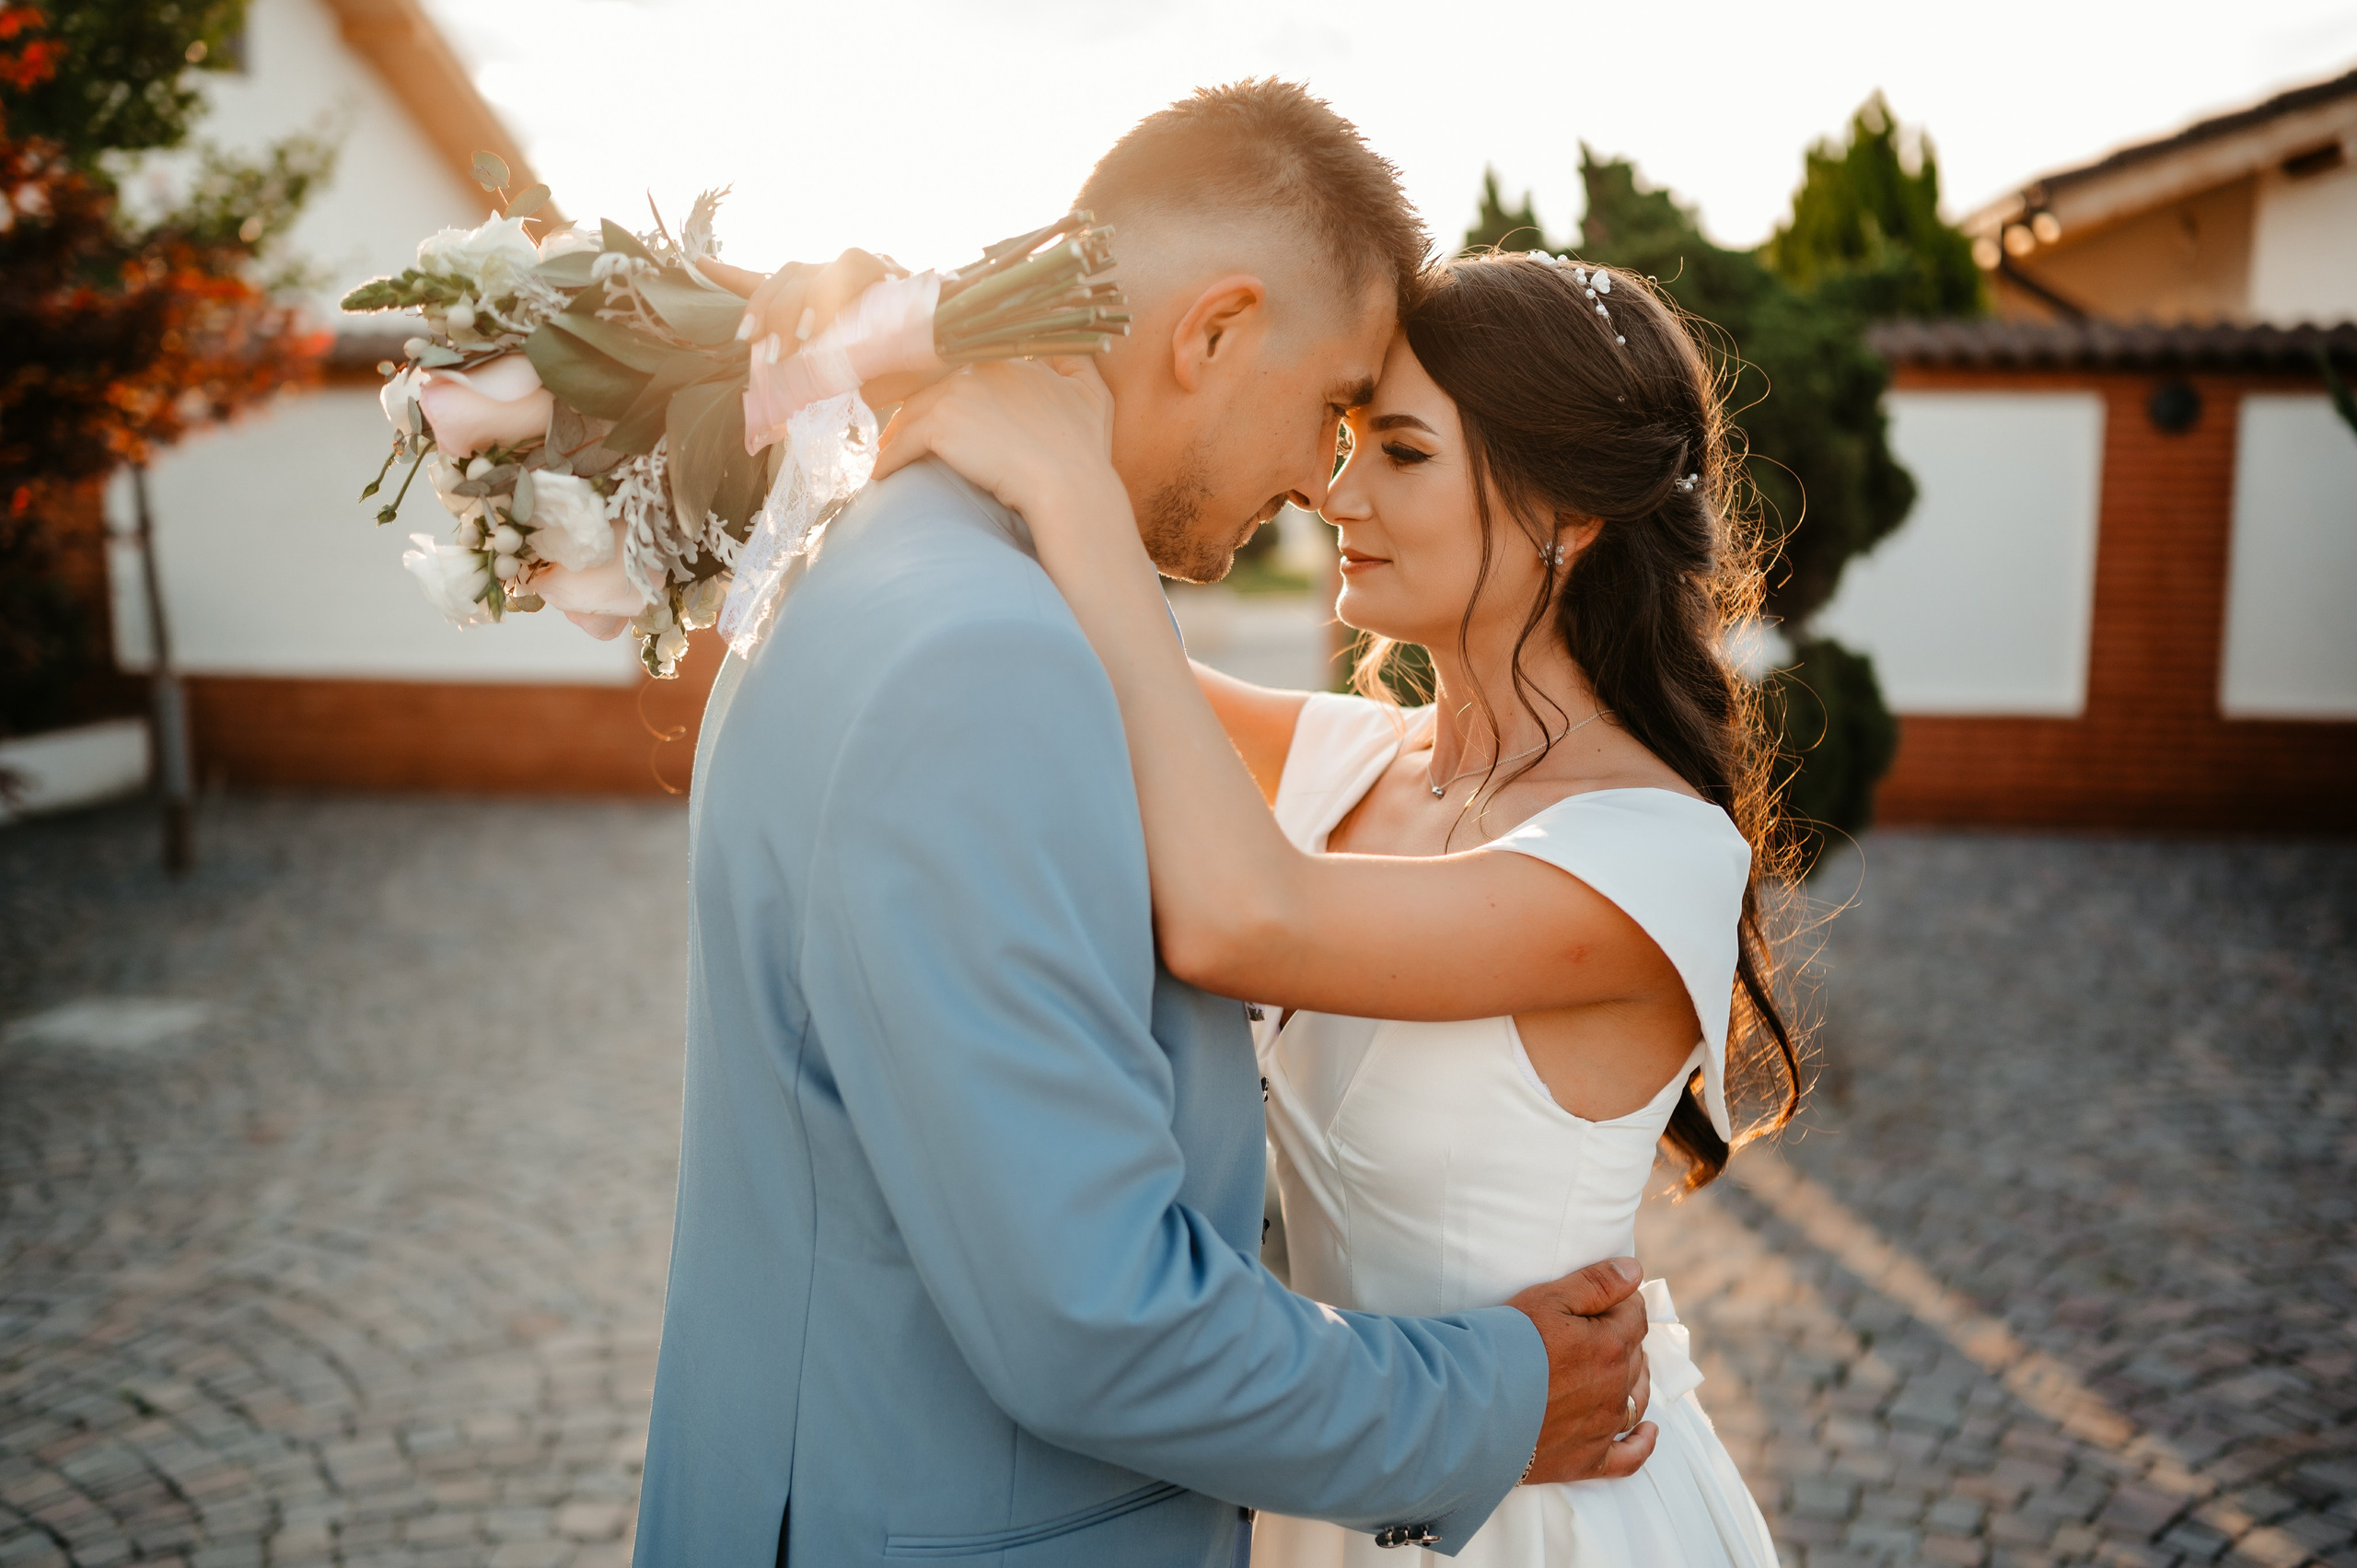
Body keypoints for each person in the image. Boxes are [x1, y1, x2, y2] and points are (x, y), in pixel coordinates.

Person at [634, 84, 1663, 1568]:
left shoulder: (871, 556)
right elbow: (1092, 1320)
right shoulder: (985, 659)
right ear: (1215, 331)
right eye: (1332, 408)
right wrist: (1488, 1394)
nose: (1326, 481)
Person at [874, 250, 1804, 1566]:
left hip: (1548, 1523)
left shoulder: (1652, 856)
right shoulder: (1357, 759)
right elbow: (1102, 647)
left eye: (1404, 454)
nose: (1339, 491)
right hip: (1339, 1488)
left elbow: (1241, 921)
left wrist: (1069, 485)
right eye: (1349, 440)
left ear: (1568, 511)